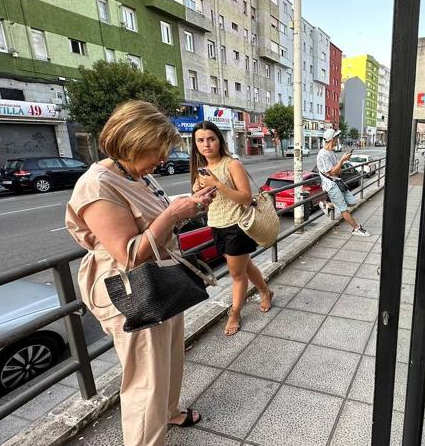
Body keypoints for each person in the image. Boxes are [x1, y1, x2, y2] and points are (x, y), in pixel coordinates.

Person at [65, 101, 215, 446]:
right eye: (157, 151)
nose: (163, 160)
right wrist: (173, 214)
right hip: (129, 289)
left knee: (171, 353)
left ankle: (170, 411)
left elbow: (152, 222)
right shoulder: (97, 184)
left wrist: (186, 207)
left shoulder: (135, 173)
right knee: (145, 376)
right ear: (131, 144)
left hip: (161, 278)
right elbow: (128, 254)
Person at [190, 121, 274, 336]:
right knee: (245, 266)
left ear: (219, 140)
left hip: (237, 225)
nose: (206, 144)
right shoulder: (202, 170)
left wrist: (217, 184)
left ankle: (234, 313)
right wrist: (199, 193)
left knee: (237, 274)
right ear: (195, 144)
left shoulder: (231, 164)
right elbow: (206, 203)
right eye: (200, 140)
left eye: (211, 139)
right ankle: (266, 291)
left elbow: (246, 199)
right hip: (216, 224)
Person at [317, 128, 370, 236]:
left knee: (352, 202)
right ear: (332, 139)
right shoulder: (322, 154)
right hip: (331, 185)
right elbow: (332, 172)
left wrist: (340, 163)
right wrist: (342, 161)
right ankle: (356, 228)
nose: (338, 140)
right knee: (344, 209)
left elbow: (338, 172)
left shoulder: (332, 152)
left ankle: (328, 204)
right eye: (336, 138)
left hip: (338, 182)